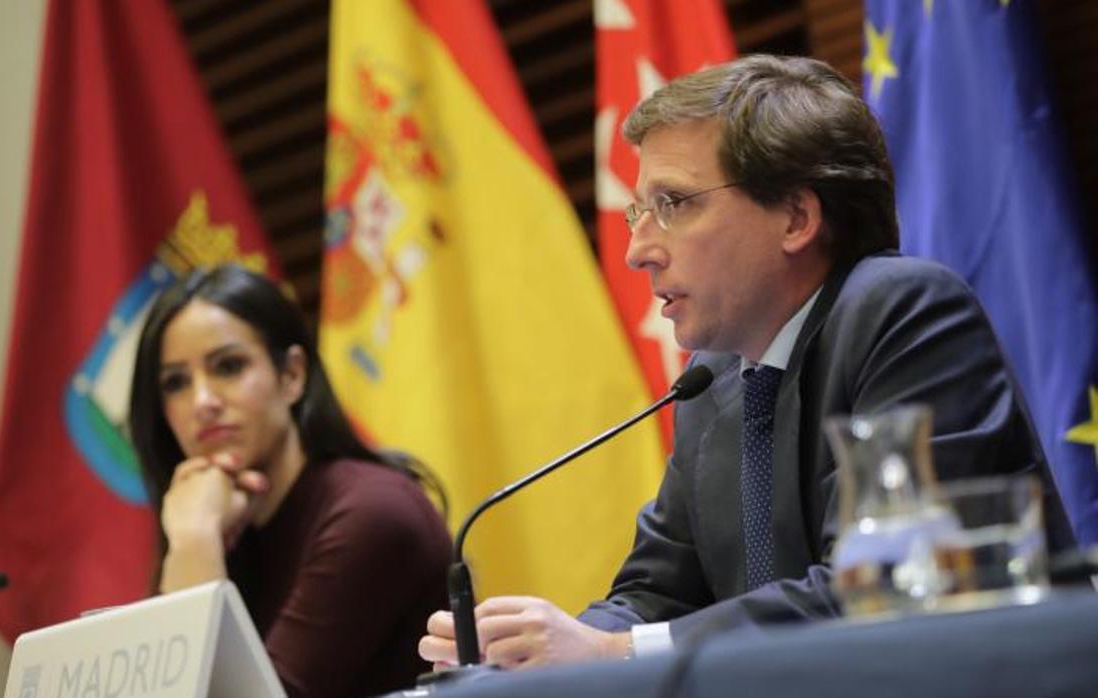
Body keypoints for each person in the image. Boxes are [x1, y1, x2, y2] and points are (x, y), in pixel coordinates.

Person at [418, 54, 1075, 670]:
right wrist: (528, 661)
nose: (637, 251)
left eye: (673, 205)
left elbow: (882, 587)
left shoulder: (902, 311)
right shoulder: (715, 380)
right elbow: (654, 595)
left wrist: (610, 652)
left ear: (795, 217)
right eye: (638, 214)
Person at [129, 264, 452, 697]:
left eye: (228, 366)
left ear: (292, 375)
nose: (202, 401)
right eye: (175, 383)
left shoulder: (371, 513)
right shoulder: (230, 521)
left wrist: (193, 542)